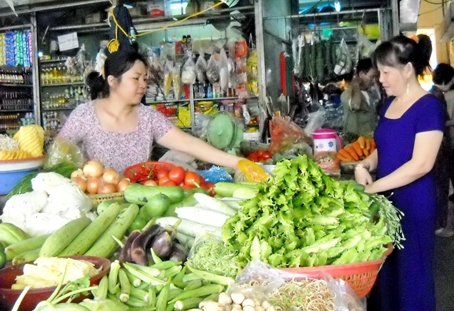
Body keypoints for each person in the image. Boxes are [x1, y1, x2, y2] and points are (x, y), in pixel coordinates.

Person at [354, 35, 445, 311]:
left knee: (412, 279)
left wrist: (373, 187)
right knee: (386, 280)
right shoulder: (389, 104)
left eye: (385, 71)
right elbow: (386, 146)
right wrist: (364, 165)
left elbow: (421, 164)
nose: (380, 78)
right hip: (386, 205)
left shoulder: (429, 107)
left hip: (413, 206)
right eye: (379, 71)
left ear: (407, 70)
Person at [58, 51, 243, 174]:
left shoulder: (148, 117)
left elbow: (188, 144)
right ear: (113, 82)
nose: (143, 85)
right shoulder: (84, 115)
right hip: (97, 205)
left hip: (142, 199)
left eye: (145, 78)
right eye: (136, 78)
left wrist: (238, 163)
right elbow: (57, 156)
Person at [432, 63, 454, 237]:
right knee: (444, 186)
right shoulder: (439, 97)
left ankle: (444, 225)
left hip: (439, 147)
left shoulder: (433, 94)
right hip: (443, 146)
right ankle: (444, 226)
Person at [340, 58, 380, 136]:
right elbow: (355, 106)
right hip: (354, 144)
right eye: (372, 77)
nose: (374, 80)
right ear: (361, 74)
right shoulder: (347, 93)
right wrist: (355, 85)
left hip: (369, 142)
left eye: (376, 77)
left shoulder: (369, 94)